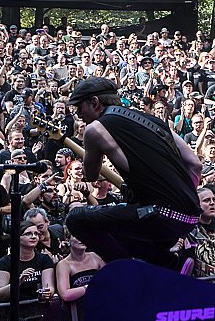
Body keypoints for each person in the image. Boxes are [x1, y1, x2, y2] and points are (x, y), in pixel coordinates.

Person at [64, 77, 202, 267]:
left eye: (79, 109)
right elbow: (195, 164)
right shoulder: (154, 120)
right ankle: (167, 263)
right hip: (190, 218)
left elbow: (91, 176)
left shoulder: (94, 129)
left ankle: (128, 268)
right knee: (124, 217)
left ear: (95, 102)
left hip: (159, 216)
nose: (79, 116)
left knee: (76, 219)